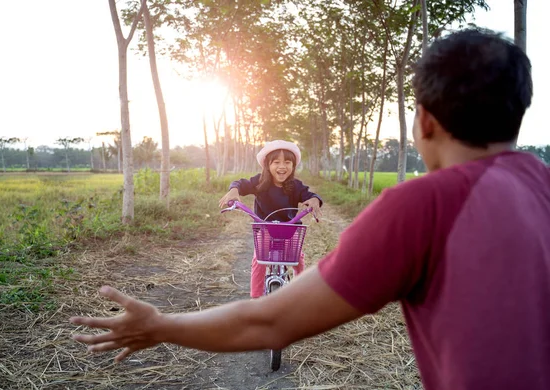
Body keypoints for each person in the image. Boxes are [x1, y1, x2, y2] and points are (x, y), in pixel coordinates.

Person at [70, 29, 549, 390]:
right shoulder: (542, 185)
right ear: (519, 109)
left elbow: (270, 321)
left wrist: (162, 325)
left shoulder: (420, 207)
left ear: (423, 120)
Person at [218, 139, 323, 298]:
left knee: (298, 259)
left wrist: (315, 200)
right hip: (265, 228)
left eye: (287, 162)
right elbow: (241, 183)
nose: (282, 166)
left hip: (289, 229)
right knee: (259, 261)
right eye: (276, 162)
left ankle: (300, 290)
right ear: (268, 165)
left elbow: (309, 194)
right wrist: (234, 190)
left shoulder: (295, 185)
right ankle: (256, 298)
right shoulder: (259, 182)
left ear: (293, 166)